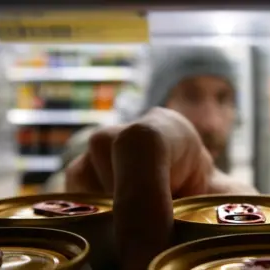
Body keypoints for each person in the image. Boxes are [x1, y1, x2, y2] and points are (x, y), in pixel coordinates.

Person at [54, 46, 258, 269]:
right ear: (159, 105)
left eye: (223, 98)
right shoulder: (103, 165)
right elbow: (79, 166)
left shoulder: (233, 185)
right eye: (191, 96)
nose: (211, 122)